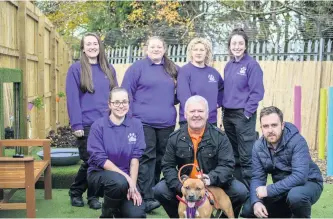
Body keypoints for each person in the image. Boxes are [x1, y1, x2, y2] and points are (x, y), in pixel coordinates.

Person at [154, 95, 249, 218]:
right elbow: (167, 166)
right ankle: (182, 214)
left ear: (207, 114)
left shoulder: (220, 137)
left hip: (214, 183)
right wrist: (181, 185)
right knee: (160, 190)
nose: (196, 115)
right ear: (185, 114)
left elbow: (227, 165)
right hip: (187, 184)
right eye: (192, 111)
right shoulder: (175, 137)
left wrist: (211, 178)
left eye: (200, 111)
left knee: (240, 191)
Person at [121, 36, 178, 213]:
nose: (155, 49)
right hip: (142, 121)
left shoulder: (173, 69)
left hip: (167, 121)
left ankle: (153, 192)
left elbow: (181, 92)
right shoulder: (137, 68)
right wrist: (129, 117)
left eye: (159, 46)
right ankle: (146, 197)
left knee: (162, 158)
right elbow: (126, 92)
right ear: (147, 49)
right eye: (152, 47)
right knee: (146, 157)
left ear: (164, 49)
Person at [66, 32, 118, 209]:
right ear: (82, 48)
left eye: (95, 43)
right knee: (90, 160)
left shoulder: (108, 69)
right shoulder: (76, 69)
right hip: (87, 124)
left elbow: (115, 96)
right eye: (88, 44)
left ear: (99, 46)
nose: (92, 47)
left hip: (107, 123)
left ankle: (93, 196)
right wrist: (77, 124)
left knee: (103, 160)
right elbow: (72, 98)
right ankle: (75, 191)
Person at [243, 106, 323, 218]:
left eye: (274, 125)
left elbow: (300, 176)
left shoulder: (297, 141)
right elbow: (257, 178)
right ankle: (287, 213)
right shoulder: (258, 147)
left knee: (296, 196)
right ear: (261, 128)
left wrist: (269, 190)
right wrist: (256, 202)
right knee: (249, 209)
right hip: (283, 188)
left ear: (282, 125)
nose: (270, 130)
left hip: (309, 183)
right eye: (266, 126)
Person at [87, 87, 146, 218]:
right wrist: (128, 180)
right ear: (110, 104)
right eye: (116, 102)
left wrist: (133, 185)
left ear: (129, 103)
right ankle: (106, 215)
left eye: (124, 102)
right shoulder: (98, 126)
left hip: (127, 178)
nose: (121, 106)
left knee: (136, 215)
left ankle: (119, 209)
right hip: (100, 175)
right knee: (118, 182)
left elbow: (135, 158)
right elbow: (101, 160)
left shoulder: (136, 125)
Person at [222, 28, 265, 189]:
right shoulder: (228, 65)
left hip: (243, 115)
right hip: (228, 115)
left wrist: (247, 113)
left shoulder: (252, 65)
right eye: (234, 43)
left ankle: (251, 193)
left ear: (246, 45)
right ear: (229, 46)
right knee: (233, 155)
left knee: (246, 156)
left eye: (240, 43)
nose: (237, 46)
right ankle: (238, 190)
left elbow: (257, 92)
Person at [177, 38, 223, 127]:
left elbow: (222, 88)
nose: (198, 52)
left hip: (211, 119)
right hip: (191, 120)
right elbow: (183, 97)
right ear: (191, 52)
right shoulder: (185, 71)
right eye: (195, 49)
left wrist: (218, 102)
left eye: (202, 50)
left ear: (206, 53)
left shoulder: (213, 72)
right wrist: (196, 114)